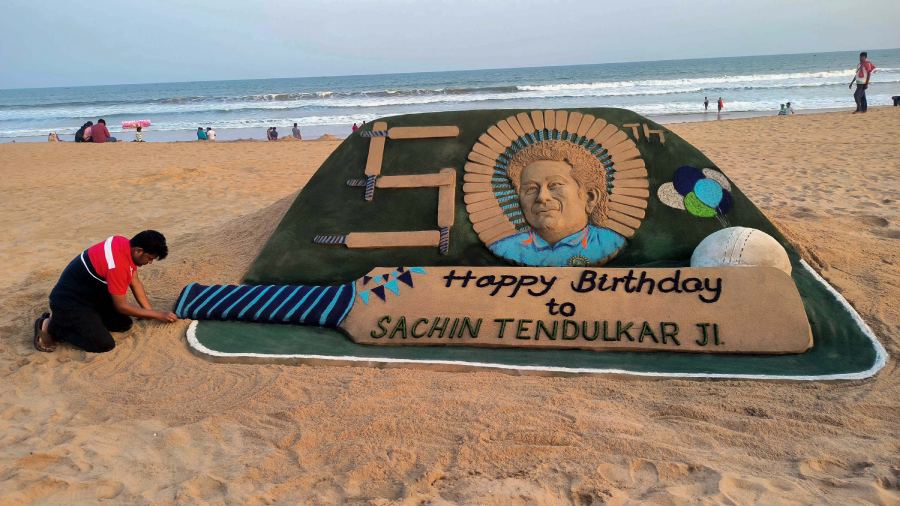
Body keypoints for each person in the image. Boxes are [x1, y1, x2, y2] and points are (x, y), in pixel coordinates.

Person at [33, 231, 177, 353]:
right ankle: (51, 325)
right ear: (138, 250)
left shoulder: (123, 243)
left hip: (92, 294)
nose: (150, 262)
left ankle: (79, 320)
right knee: (103, 344)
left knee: (123, 324)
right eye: (149, 258)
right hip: (70, 301)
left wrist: (148, 311)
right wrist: (158, 314)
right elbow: (122, 306)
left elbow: (134, 280)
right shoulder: (118, 266)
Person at [488, 142, 625, 266]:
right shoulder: (504, 249)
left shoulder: (611, 243)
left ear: (590, 197)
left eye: (555, 185)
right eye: (531, 189)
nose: (542, 197)